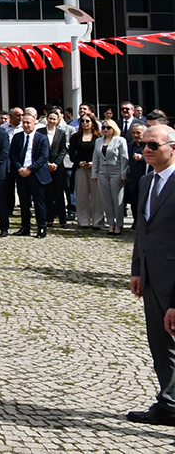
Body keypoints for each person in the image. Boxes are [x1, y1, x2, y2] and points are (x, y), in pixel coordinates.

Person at [127, 124, 175, 425]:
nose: (146, 149)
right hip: (151, 275)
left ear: (172, 147)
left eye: (153, 145)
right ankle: (169, 403)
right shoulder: (146, 182)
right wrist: (136, 270)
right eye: (144, 144)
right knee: (160, 345)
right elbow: (142, 231)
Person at [10, 109, 51, 237]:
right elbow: (13, 154)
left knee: (39, 203)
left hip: (36, 174)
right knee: (24, 203)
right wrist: (19, 168)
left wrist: (30, 169)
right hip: (21, 174)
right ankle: (25, 227)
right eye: (24, 122)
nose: (26, 125)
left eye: (28, 122)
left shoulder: (41, 138)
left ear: (34, 123)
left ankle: (41, 227)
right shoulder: (17, 137)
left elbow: (43, 157)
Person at [94, 119, 129, 235]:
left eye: (108, 128)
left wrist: (123, 174)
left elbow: (124, 158)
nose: (105, 130)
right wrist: (95, 173)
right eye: (103, 128)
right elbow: (96, 158)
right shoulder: (99, 141)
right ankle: (111, 223)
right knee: (106, 199)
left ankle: (119, 224)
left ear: (114, 129)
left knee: (117, 199)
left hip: (116, 171)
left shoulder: (120, 140)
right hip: (103, 172)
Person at [70, 114, 103, 229]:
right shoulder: (75, 137)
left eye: (87, 121)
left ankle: (97, 221)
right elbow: (71, 153)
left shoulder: (98, 137)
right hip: (80, 168)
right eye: (83, 121)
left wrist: (94, 163)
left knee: (97, 196)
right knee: (81, 195)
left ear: (93, 123)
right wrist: (79, 162)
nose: (85, 123)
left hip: (95, 168)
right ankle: (83, 221)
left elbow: (101, 153)